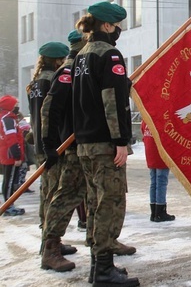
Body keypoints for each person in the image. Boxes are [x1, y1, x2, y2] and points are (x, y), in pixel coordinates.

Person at [72, 1, 139, 286]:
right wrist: (121, 140)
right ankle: (103, 270)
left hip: (85, 142)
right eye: (118, 26)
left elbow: (89, 96)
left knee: (95, 203)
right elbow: (112, 101)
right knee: (109, 204)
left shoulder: (81, 55)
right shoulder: (110, 55)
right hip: (104, 143)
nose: (119, 32)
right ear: (108, 26)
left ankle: (96, 266)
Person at [39, 30, 88, 272]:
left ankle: (103, 242)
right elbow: (49, 109)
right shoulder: (69, 71)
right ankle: (49, 248)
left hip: (86, 144)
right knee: (65, 196)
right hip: (72, 147)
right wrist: (48, 144)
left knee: (87, 197)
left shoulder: (83, 68)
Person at [27, 41, 70, 234]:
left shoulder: (34, 83)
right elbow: (51, 113)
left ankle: (45, 228)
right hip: (52, 143)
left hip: (39, 142)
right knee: (53, 191)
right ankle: (50, 237)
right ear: (57, 61)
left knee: (46, 189)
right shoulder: (52, 79)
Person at [141, 121, 175, 222]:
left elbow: (143, 131)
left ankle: (154, 211)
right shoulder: (161, 117)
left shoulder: (145, 117)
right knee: (161, 181)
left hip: (150, 151)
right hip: (160, 153)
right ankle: (160, 212)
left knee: (154, 182)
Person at [0, 95, 26, 216]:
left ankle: (9, 204)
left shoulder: (7, 118)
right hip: (10, 154)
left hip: (7, 153)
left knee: (8, 179)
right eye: (15, 105)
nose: (17, 108)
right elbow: (11, 139)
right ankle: (8, 205)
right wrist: (17, 156)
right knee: (10, 181)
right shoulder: (8, 119)